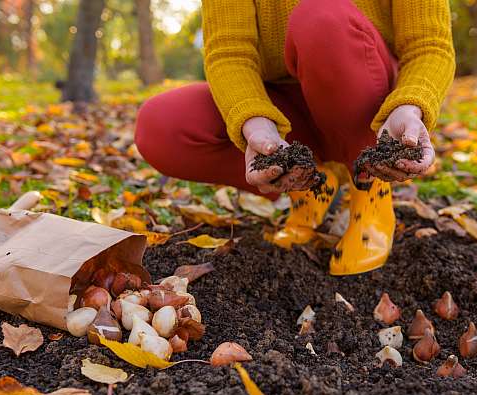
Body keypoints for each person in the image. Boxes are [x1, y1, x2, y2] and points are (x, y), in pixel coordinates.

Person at [135, 0, 456, 276]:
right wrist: (255, 124)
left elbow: (429, 46)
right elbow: (229, 52)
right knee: (161, 126)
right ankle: (309, 186)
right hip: (283, 111)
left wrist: (409, 106)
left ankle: (370, 196)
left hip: (367, 103)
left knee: (321, 16)